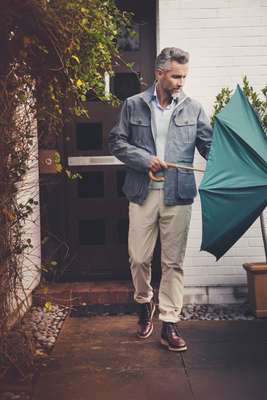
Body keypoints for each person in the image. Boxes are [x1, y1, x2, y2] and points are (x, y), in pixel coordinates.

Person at [109, 47, 212, 352]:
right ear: (159, 73)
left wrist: (235, 163)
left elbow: (209, 146)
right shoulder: (133, 105)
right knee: (139, 258)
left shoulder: (194, 109)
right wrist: (145, 160)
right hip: (142, 194)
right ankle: (144, 304)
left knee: (173, 263)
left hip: (178, 195)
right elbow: (117, 141)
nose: (181, 82)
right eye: (176, 76)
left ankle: (170, 324)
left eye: (184, 76)